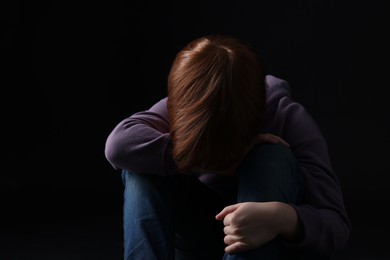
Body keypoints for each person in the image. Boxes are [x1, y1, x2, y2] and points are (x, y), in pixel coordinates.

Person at [104, 35, 351, 259]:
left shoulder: (285, 117)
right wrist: (219, 160)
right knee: (141, 166)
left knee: (272, 156)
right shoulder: (186, 105)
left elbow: (336, 228)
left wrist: (282, 217)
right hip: (194, 241)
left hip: (261, 245)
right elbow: (118, 146)